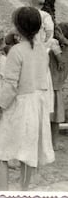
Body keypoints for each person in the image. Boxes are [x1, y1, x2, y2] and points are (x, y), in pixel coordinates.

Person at [0, 7, 55, 191]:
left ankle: (4, 191)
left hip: (19, 106)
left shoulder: (16, 51)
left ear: (18, 27)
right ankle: (23, 191)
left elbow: (10, 85)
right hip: (37, 105)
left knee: (1, 150)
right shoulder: (42, 49)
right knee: (28, 152)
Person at [49, 22, 68, 151]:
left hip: (54, 87)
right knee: (53, 119)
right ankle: (53, 143)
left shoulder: (62, 50)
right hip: (52, 86)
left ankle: (53, 143)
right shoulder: (54, 47)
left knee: (54, 119)